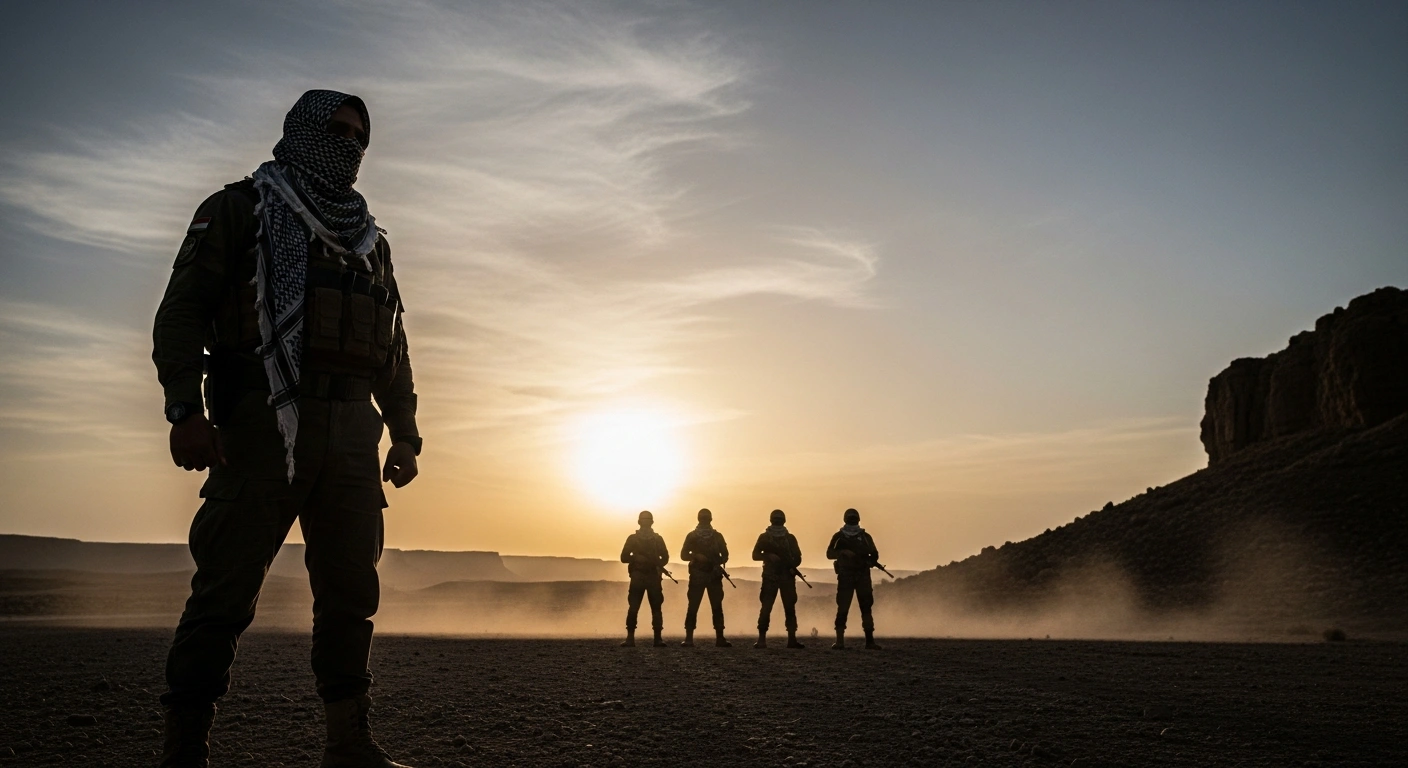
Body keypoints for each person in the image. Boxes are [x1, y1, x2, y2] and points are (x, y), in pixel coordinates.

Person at [152, 90, 420, 768]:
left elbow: (390, 345)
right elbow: (182, 313)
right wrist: (186, 410)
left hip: (354, 432)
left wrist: (406, 431)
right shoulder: (240, 211)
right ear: (300, 131)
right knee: (225, 587)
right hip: (263, 420)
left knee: (352, 593)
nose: (349, 146)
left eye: (360, 137)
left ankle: (349, 743)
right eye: (336, 130)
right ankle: (185, 751)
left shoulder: (369, 243)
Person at [826, 508, 882, 650]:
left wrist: (867, 562)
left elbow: (874, 555)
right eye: (850, 518)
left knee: (866, 607)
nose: (852, 520)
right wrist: (843, 552)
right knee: (843, 607)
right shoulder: (839, 536)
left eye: (854, 518)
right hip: (846, 575)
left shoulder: (865, 537)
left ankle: (869, 641)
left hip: (862, 575)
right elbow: (829, 553)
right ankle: (840, 641)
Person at [751, 509, 805, 649]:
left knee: (789, 608)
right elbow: (755, 555)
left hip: (786, 576)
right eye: (776, 519)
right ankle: (762, 639)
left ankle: (791, 639)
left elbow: (798, 558)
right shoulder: (764, 537)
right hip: (770, 577)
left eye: (779, 519)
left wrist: (791, 566)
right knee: (766, 607)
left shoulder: (790, 538)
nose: (777, 522)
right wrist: (768, 556)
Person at [679, 508, 731, 647]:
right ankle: (689, 638)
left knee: (716, 606)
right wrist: (696, 556)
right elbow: (683, 555)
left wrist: (716, 563)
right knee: (694, 606)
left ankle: (720, 637)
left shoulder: (717, 536)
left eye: (705, 519)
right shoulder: (692, 536)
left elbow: (725, 555)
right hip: (698, 575)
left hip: (713, 575)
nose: (704, 521)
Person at [620, 510, 670, 647]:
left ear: (652, 522)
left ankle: (658, 638)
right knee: (634, 607)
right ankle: (630, 638)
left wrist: (657, 564)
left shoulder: (657, 539)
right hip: (638, 576)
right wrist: (636, 558)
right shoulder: (633, 539)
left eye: (648, 521)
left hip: (653, 576)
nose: (646, 523)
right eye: (644, 521)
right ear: (639, 522)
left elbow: (665, 557)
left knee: (656, 607)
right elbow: (624, 557)